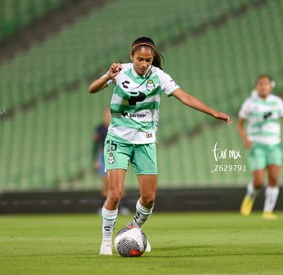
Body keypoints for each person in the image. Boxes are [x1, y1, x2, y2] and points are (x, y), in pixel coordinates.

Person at [88, 36, 231, 255]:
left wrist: (213, 112)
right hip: (118, 139)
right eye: (139, 59)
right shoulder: (120, 71)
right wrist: (109, 75)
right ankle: (106, 240)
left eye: (148, 59)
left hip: (145, 141)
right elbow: (92, 88)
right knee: (115, 193)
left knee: (149, 197)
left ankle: (134, 229)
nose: (144, 63)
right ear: (131, 57)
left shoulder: (158, 76)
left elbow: (184, 96)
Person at [237, 75, 283, 219]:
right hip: (257, 145)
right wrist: (245, 139)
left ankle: (268, 211)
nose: (263, 86)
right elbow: (240, 124)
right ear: (256, 86)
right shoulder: (249, 103)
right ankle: (250, 196)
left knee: (273, 178)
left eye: (266, 83)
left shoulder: (277, 102)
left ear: (271, 86)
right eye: (260, 83)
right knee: (259, 181)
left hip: (274, 145)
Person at [92, 108, 130, 216]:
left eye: (110, 115)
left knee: (118, 183)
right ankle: (104, 207)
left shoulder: (118, 127)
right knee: (105, 184)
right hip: (104, 157)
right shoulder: (100, 128)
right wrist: (95, 160)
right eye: (106, 115)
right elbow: (95, 145)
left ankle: (122, 207)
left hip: (116, 155)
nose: (108, 117)